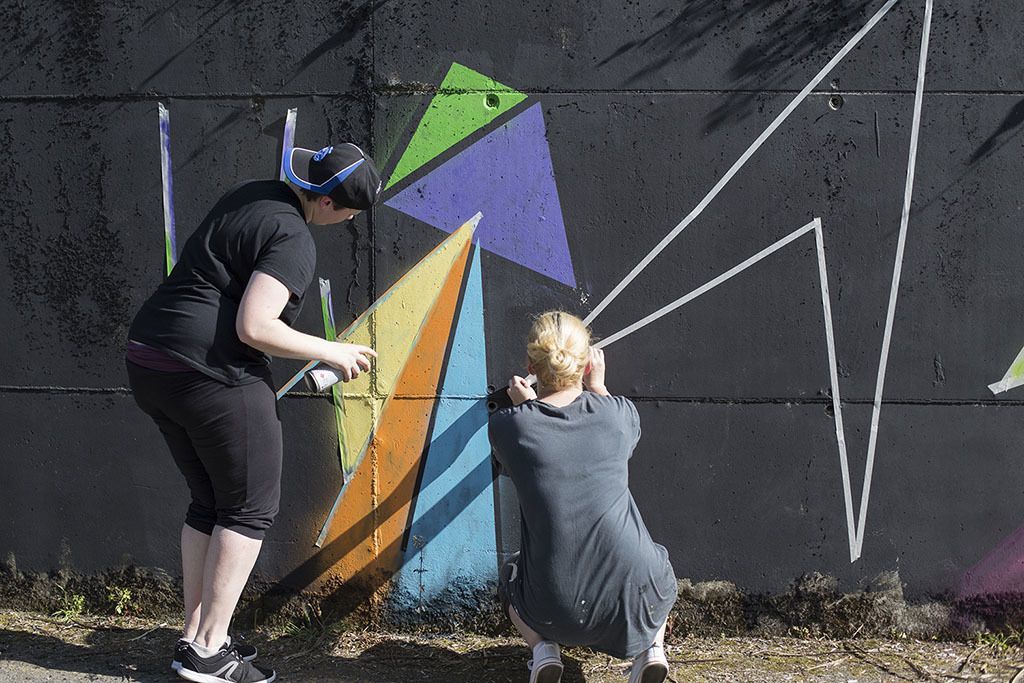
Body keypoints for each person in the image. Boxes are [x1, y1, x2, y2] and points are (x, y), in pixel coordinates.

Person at [125, 143, 381, 683]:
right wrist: (331, 350)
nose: (350, 221)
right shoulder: (294, 239)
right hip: (209, 370)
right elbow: (255, 326)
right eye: (351, 212)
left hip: (150, 358)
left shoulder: (254, 194)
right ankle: (209, 650)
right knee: (248, 509)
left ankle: (198, 638)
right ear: (330, 204)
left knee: (210, 501)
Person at [488, 311, 678, 683]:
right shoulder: (617, 414)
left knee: (510, 574)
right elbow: (623, 435)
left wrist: (526, 406)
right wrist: (599, 388)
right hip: (633, 594)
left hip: (553, 606)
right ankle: (651, 649)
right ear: (588, 363)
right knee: (659, 565)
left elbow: (525, 445)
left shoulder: (510, 426)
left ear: (530, 365)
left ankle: (543, 650)